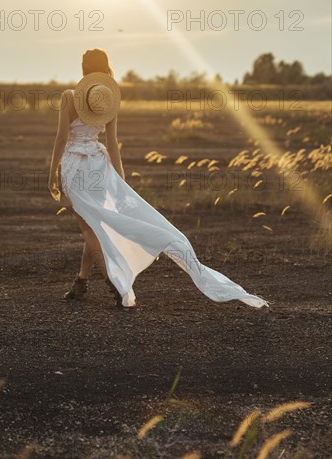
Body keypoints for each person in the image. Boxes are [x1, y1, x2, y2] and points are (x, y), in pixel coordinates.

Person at [48, 48, 269, 311]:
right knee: (95, 226)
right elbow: (114, 145)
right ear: (105, 70)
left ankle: (114, 283)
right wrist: (120, 179)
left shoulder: (68, 97)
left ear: (83, 69)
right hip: (99, 166)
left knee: (90, 227)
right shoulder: (108, 102)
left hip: (75, 168)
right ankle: (81, 283)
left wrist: (52, 172)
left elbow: (62, 139)